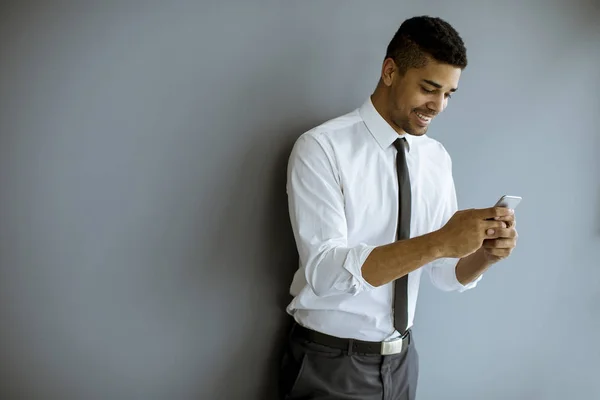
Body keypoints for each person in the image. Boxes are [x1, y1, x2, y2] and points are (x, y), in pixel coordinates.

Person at [278, 15, 518, 400]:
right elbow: (324, 271)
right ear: (390, 71)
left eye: (449, 94)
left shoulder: (436, 158)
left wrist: (484, 255)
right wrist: (440, 241)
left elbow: (442, 273)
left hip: (402, 363)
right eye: (429, 88)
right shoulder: (322, 148)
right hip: (330, 364)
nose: (438, 105)